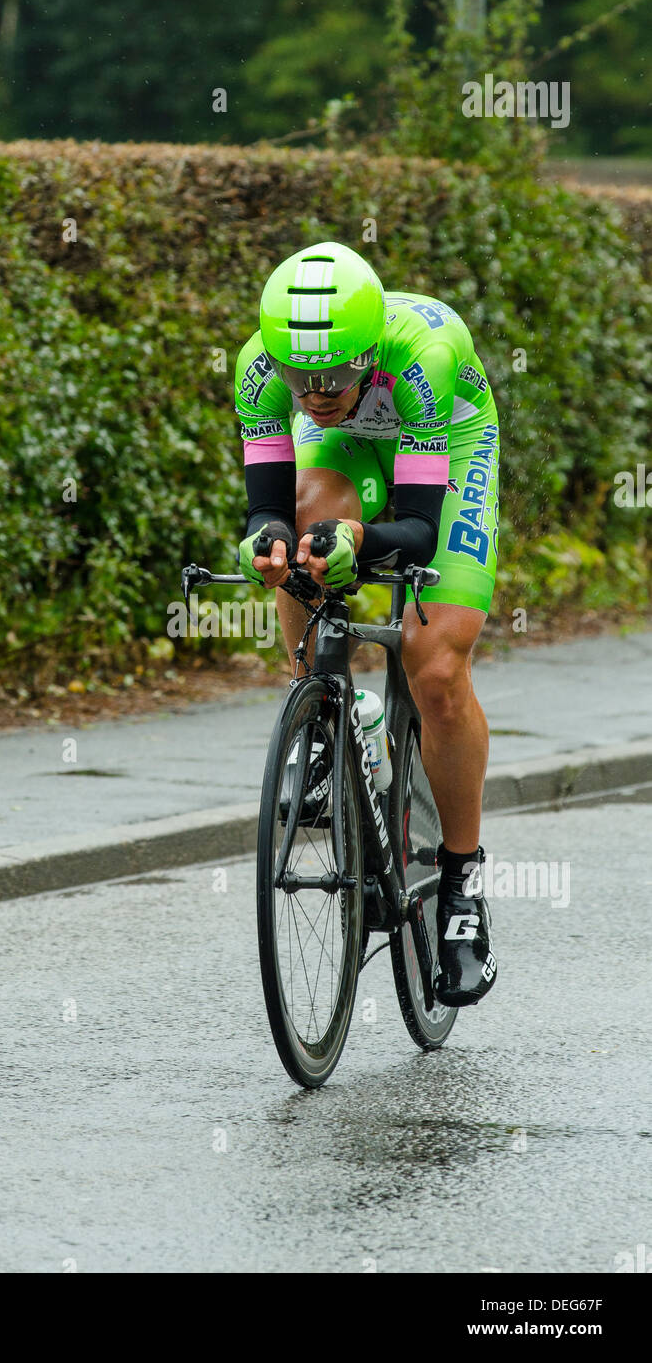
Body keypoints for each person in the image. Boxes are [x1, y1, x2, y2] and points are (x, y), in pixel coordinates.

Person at [235, 240, 499, 1006]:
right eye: (300, 378)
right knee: (301, 525)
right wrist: (271, 539)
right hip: (350, 453)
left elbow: (416, 530)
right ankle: (320, 706)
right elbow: (265, 503)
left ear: (368, 353)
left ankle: (459, 888)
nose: (315, 393)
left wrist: (360, 542)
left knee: (437, 666)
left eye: (336, 376)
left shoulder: (423, 356)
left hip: (447, 440)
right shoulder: (259, 364)